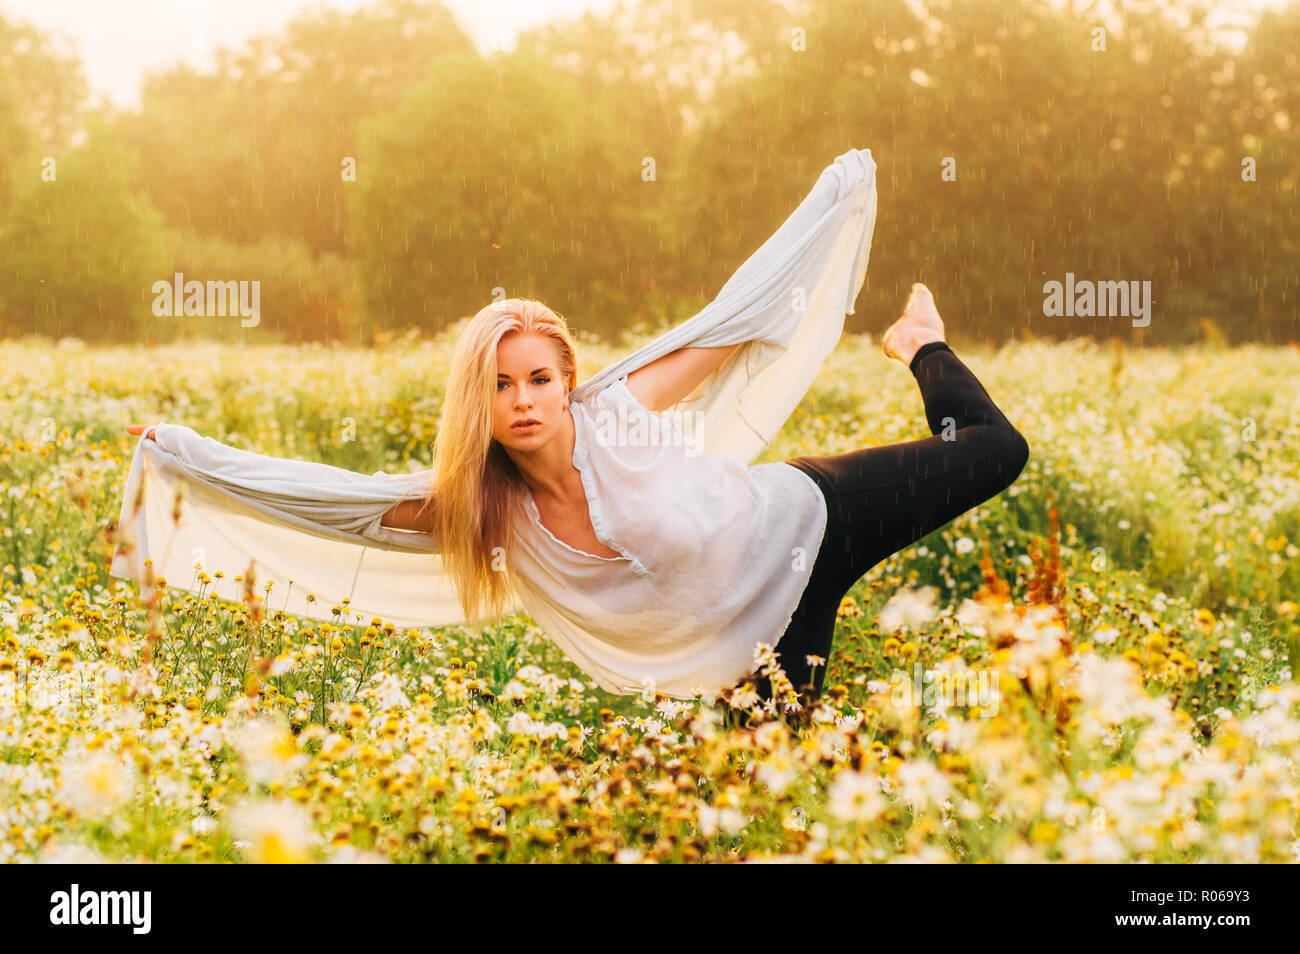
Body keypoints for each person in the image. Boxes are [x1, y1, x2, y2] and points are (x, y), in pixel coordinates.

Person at [128, 284, 1027, 714]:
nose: (522, 401)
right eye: (501, 385)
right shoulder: (481, 511)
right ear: (477, 401)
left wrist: (824, 221)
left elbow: (728, 324)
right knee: (780, 801)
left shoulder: (616, 414)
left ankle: (920, 346)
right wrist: (195, 459)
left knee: (994, 451)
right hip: (756, 643)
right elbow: (337, 501)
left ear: (566, 383)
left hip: (808, 520)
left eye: (538, 379)